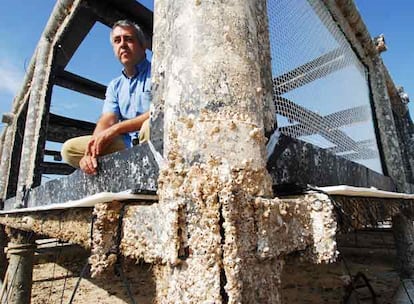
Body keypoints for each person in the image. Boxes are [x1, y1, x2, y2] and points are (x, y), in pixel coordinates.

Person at [61, 20, 151, 175]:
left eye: (128, 39)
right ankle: (123, 169)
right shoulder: (114, 86)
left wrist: (116, 129)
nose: (122, 44)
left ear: (143, 46)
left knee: (149, 126)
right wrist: (92, 150)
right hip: (127, 143)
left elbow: (161, 111)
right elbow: (107, 120)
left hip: (151, 135)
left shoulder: (159, 68)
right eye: (117, 41)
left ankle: (149, 172)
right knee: (69, 150)